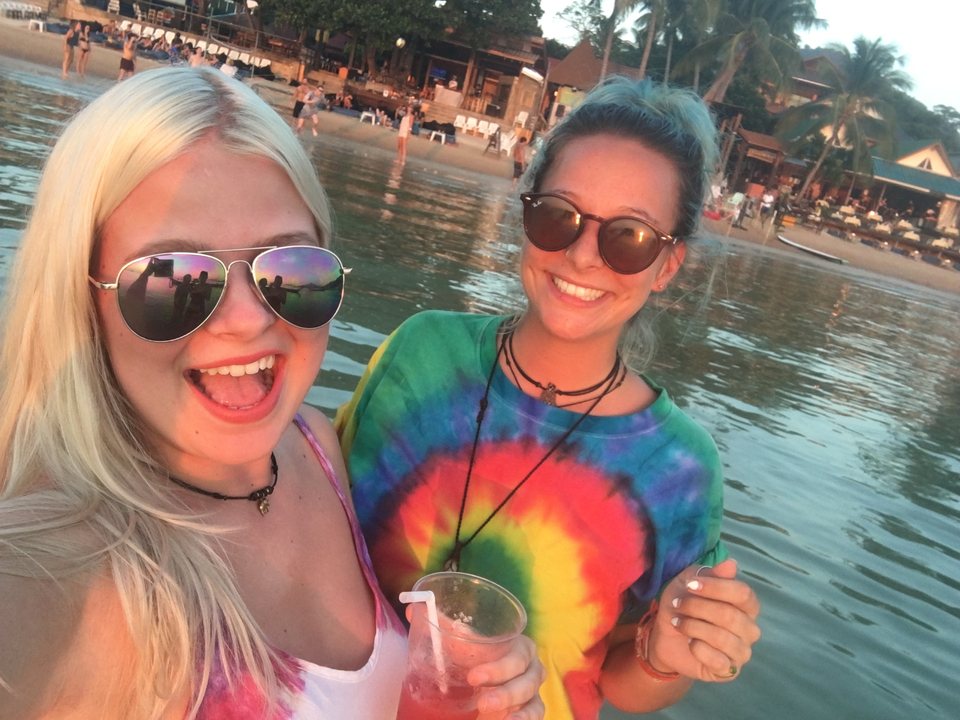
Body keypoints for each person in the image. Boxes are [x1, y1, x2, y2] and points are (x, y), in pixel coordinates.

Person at [0, 67, 543, 720]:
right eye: (171, 279)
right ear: (83, 297)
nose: (247, 319)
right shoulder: (59, 573)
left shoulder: (312, 445)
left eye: (290, 268)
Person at [337, 77, 761, 720]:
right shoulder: (421, 351)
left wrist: (665, 657)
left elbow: (624, 682)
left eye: (629, 237)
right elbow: (322, 509)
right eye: (558, 216)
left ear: (668, 266)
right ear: (526, 215)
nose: (583, 255)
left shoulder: (678, 467)